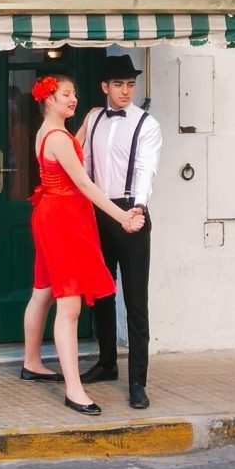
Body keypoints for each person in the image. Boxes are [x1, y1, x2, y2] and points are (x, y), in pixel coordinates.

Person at [20, 74, 145, 417]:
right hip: (63, 220)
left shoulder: (47, 132)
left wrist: (87, 124)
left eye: (74, 93)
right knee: (69, 307)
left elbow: (69, 151)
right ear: (49, 99)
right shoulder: (57, 137)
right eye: (66, 94)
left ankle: (32, 361)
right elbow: (86, 185)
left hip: (50, 214)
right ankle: (74, 390)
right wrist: (122, 217)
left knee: (43, 291)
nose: (73, 99)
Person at [80, 53, 163, 410]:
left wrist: (139, 209)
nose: (126, 91)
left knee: (135, 299)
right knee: (101, 292)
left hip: (131, 213)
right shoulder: (94, 118)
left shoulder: (147, 124)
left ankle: (138, 382)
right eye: (119, 85)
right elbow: (83, 164)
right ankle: (107, 361)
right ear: (104, 87)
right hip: (97, 211)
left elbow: (146, 170)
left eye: (130, 84)